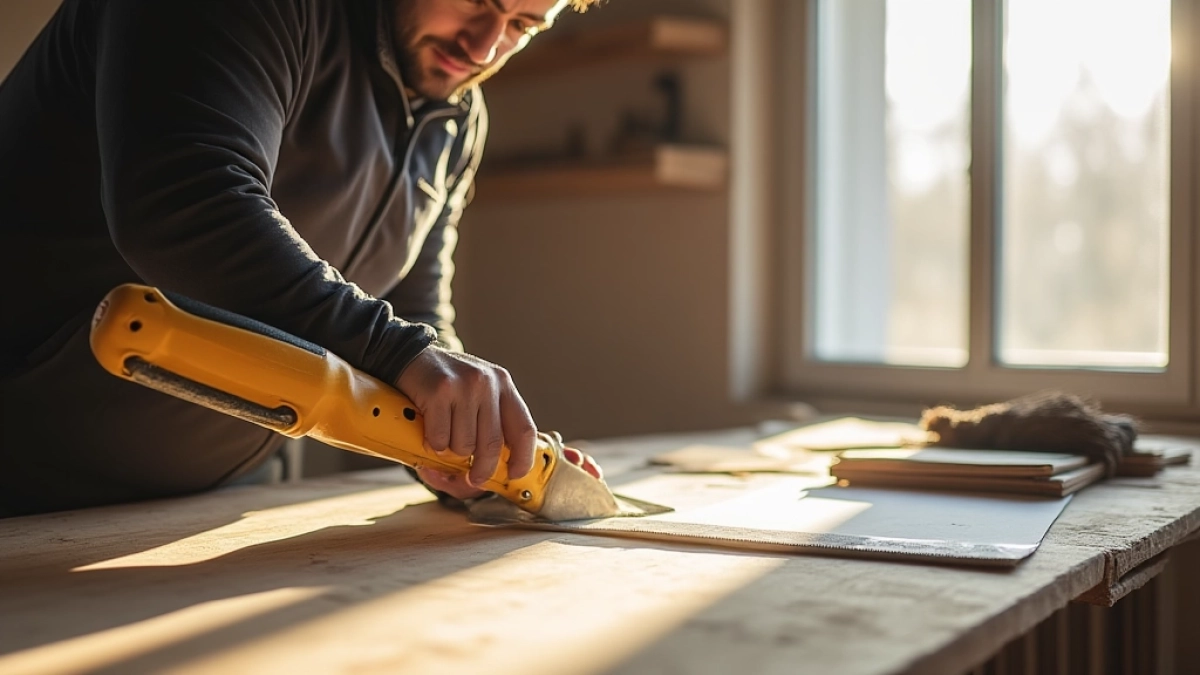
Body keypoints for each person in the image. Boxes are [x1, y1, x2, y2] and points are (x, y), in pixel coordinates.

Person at [0, 0, 604, 517]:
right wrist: (400, 352)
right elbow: (183, 200)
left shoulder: (458, 118)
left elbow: (412, 310)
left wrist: (460, 443)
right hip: (28, 482)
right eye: (478, 0)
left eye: (523, 25)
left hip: (223, 502)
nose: (483, 45)